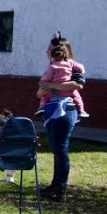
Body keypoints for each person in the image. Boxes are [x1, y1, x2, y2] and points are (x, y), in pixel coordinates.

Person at [38, 33, 84, 202]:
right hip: (50, 109)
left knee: (61, 150)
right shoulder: (52, 67)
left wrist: (50, 85)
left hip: (66, 109)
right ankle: (54, 186)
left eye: (50, 48)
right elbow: (40, 90)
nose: (47, 51)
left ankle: (60, 189)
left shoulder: (73, 68)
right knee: (57, 150)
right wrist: (42, 91)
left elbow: (77, 85)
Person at [37, 43, 89, 118]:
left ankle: (41, 108)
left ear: (52, 55)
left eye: (49, 49)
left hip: (54, 91)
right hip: (68, 91)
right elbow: (80, 67)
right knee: (77, 96)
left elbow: (47, 78)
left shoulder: (52, 66)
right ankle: (81, 110)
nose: (46, 51)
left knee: (45, 97)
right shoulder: (70, 63)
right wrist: (82, 70)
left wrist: (44, 82)